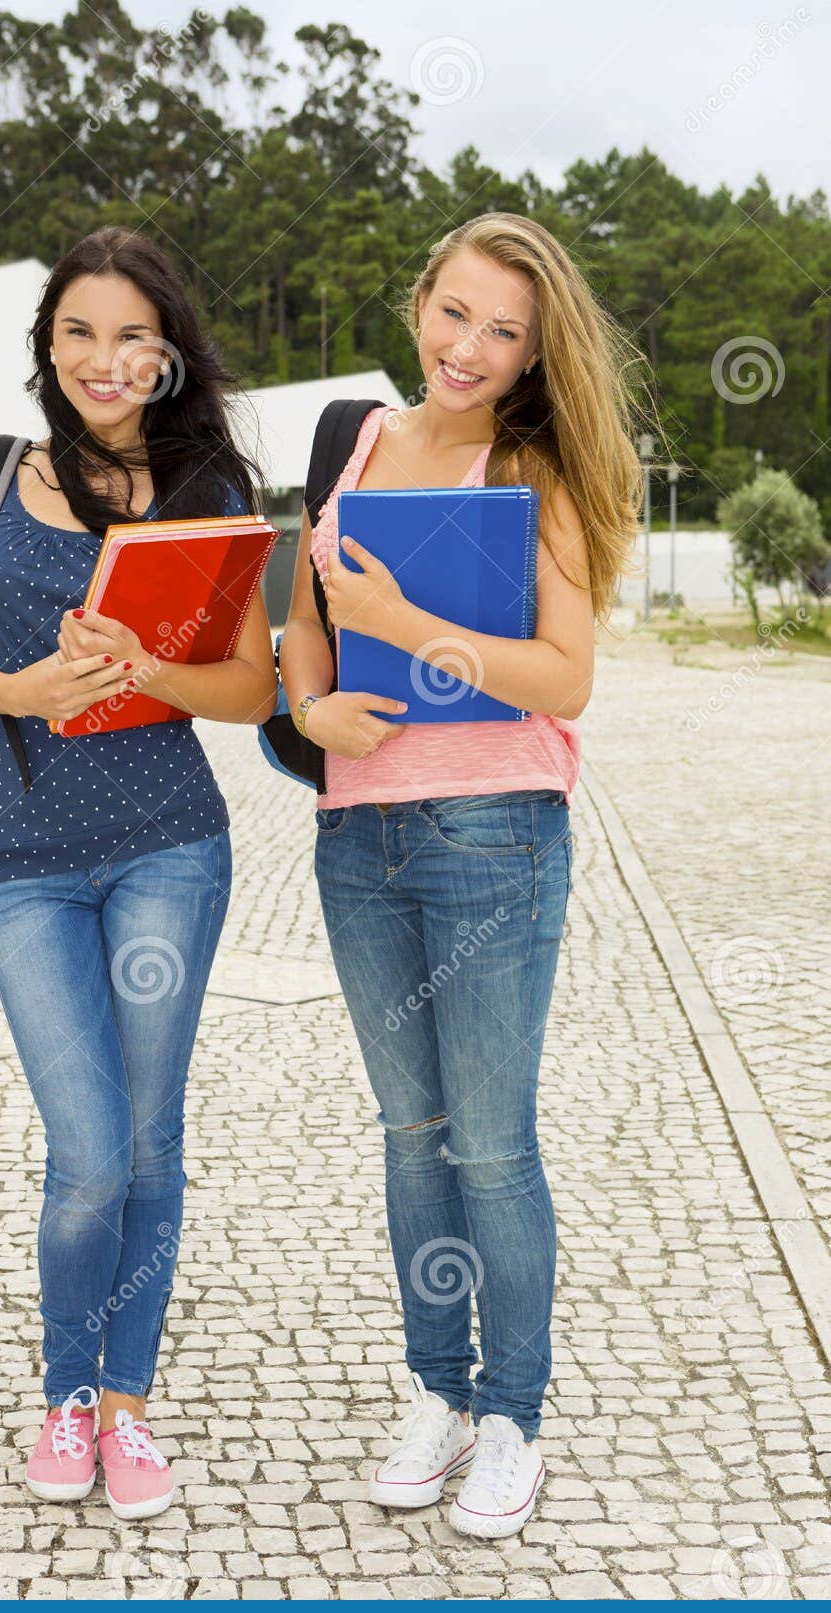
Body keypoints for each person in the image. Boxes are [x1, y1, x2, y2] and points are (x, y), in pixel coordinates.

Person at [279, 212, 646, 1539]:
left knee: (491, 1146)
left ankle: (512, 1417)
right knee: (412, 1137)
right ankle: (436, 1389)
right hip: (359, 832)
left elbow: (566, 678)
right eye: (455, 312)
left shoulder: (534, 462)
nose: (470, 347)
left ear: (537, 347)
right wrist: (311, 706)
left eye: (506, 330)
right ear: (417, 300)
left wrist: (410, 627)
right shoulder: (364, 441)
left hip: (494, 830)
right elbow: (307, 625)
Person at [0, 225, 276, 1520]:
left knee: (149, 1133)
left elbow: (253, 685)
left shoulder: (207, 487)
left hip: (170, 839)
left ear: (167, 353)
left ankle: (126, 1404)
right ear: (48, 345)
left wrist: (145, 666)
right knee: (87, 1151)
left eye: (132, 335)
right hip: (19, 855)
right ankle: (67, 1388)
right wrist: (26, 686)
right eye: (79, 332)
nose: (103, 359)